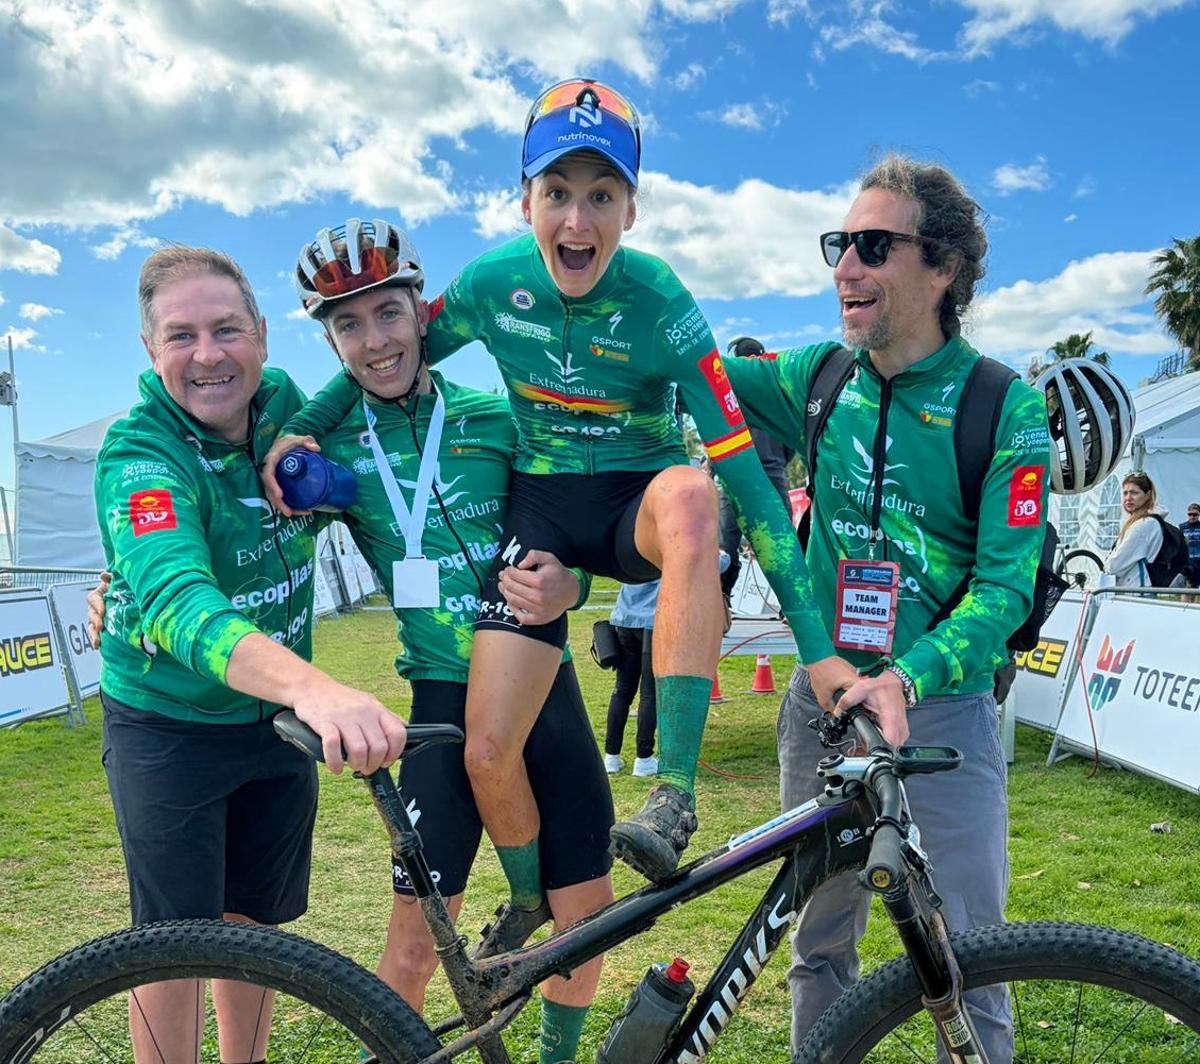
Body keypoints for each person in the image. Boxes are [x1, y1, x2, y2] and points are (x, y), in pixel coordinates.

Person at [265, 79, 857, 904]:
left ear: (630, 211)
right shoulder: (491, 282)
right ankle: (524, 902)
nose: (577, 221)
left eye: (601, 196)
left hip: (633, 502)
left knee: (694, 494)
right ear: (526, 203)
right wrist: (301, 427)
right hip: (542, 507)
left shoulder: (664, 303)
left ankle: (674, 796)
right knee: (486, 751)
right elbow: (386, 352)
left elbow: (750, 483)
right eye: (557, 195)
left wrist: (817, 648)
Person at [723, 154, 1053, 1060]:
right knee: (820, 942)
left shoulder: (1005, 408)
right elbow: (691, 372)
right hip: (825, 702)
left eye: (873, 246)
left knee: (969, 957)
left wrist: (907, 676)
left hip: (939, 712)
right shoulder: (819, 375)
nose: (845, 267)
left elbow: (1005, 590)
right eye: (839, 244)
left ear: (942, 265)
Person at [287, 218, 614, 1064]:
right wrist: (117, 582)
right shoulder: (328, 446)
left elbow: (572, 537)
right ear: (329, 340)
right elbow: (247, 521)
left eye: (389, 313)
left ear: (421, 312)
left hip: (540, 687)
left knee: (585, 919)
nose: (375, 341)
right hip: (439, 704)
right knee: (412, 947)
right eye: (348, 324)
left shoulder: (496, 418)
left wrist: (573, 586)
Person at [93, 246, 407, 1063]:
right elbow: (178, 600)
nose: (208, 355)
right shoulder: (138, 451)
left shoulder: (288, 405)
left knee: (255, 926)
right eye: (182, 335)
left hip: (270, 722)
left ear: (262, 334)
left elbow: (382, 402)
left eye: (226, 329)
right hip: (169, 722)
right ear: (150, 350)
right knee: (170, 944)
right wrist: (316, 689)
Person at [716, 336, 796, 604]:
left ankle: (722, 599)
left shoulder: (728, 394)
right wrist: (775, 463)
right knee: (782, 544)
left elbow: (716, 438)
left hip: (737, 478)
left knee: (726, 545)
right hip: (767, 476)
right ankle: (793, 607)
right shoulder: (778, 394)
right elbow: (791, 442)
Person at [603, 579, 660, 776]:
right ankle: (644, 758)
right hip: (653, 621)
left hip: (625, 619)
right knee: (649, 694)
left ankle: (611, 756)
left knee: (622, 691)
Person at [1104, 473, 1164, 587]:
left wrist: (1107, 564)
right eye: (1125, 493)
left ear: (1148, 495)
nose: (1128, 498)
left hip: (1135, 590)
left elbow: (1115, 566)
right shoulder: (1143, 521)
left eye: (1134, 493)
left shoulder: (1144, 525)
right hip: (1135, 588)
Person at [1179, 502, 1200, 588]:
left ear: (1199, 515)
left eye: (1195, 514)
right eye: (1190, 514)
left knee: (1195, 586)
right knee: (1188, 587)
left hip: (1198, 561)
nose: (1192, 516)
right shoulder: (1182, 527)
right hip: (1187, 562)